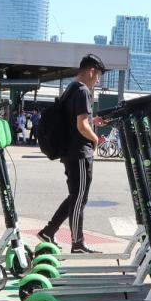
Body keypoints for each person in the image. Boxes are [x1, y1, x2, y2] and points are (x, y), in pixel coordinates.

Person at [37, 54, 107, 253]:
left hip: (69, 152)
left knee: (75, 197)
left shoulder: (71, 89)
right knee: (79, 198)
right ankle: (77, 242)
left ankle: (49, 231)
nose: (98, 80)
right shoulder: (84, 90)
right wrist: (94, 138)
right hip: (80, 153)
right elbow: (81, 124)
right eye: (98, 76)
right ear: (91, 71)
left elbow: (76, 122)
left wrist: (93, 122)